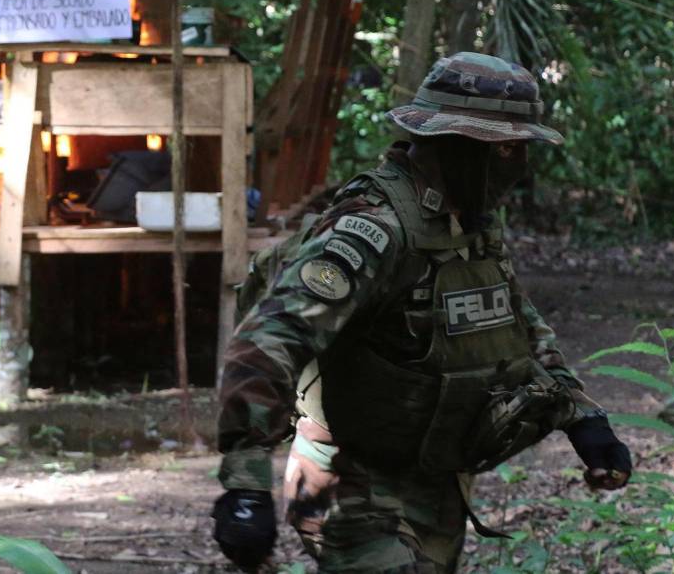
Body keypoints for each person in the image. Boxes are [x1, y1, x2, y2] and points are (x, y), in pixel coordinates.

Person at [211, 53, 633, 572]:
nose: (516, 163)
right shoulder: (376, 229)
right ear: (454, 143)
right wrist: (245, 485)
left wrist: (583, 419)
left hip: (434, 483)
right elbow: (268, 339)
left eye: (519, 147)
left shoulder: (468, 221)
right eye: (504, 147)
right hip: (354, 488)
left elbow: (517, 326)